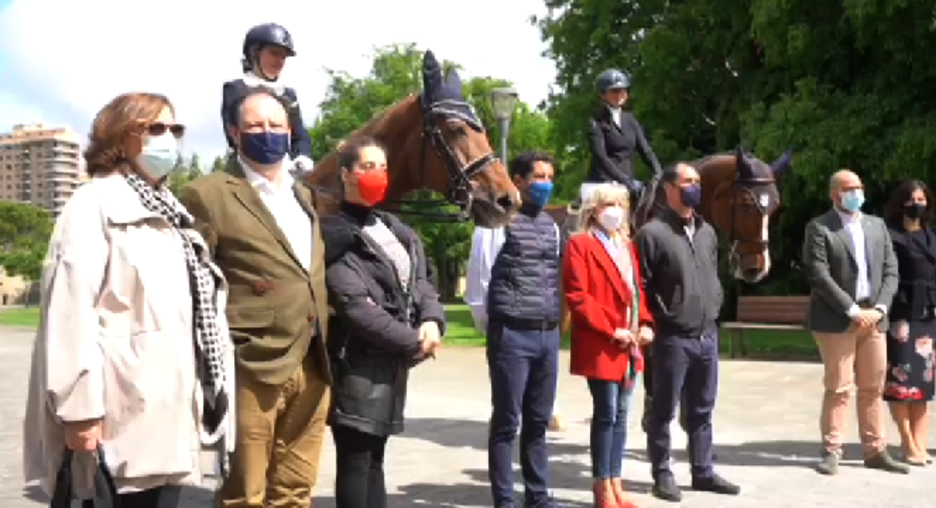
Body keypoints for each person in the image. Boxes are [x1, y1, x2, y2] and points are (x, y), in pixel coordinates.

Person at [22, 92, 235, 508]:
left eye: (175, 129)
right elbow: (70, 314)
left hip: (164, 412)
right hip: (117, 416)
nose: (168, 139)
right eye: (154, 128)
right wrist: (79, 410)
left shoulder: (172, 213)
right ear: (120, 136)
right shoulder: (94, 204)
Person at [180, 88, 332, 507]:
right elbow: (191, 284)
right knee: (244, 495)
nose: (268, 133)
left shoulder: (304, 196)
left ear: (290, 132)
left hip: (312, 362)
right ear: (234, 132)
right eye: (255, 126)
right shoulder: (207, 194)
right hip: (250, 367)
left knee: (296, 491)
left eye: (276, 126)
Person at [321, 136, 445, 508]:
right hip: (357, 365)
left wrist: (432, 320)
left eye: (383, 167)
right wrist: (413, 341)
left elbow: (422, 281)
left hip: (390, 365)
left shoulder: (394, 228)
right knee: (357, 460)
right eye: (367, 166)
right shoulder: (335, 235)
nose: (378, 174)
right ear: (345, 174)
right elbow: (356, 307)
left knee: (376, 460)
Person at [636, 163, 739, 502]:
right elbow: (642, 287)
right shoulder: (651, 234)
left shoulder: (707, 231)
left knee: (702, 409)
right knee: (663, 410)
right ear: (668, 189)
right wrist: (654, 322)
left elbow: (712, 274)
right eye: (687, 182)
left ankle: (702, 471)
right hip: (672, 338)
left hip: (706, 335)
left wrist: (716, 303)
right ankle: (662, 474)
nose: (695, 187)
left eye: (697, 181)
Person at [465, 150, 561, 508]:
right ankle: (504, 499)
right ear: (517, 181)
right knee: (507, 421)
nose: (546, 184)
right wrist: (497, 330)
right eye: (538, 176)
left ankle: (537, 496)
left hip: (547, 334)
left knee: (538, 421)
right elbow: (479, 285)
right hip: (512, 334)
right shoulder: (495, 224)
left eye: (550, 176)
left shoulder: (551, 226)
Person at [802, 169, 909, 476]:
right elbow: (819, 275)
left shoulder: (877, 226)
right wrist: (851, 309)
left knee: (872, 387)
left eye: (859, 187)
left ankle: (875, 451)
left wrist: (881, 308)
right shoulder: (820, 228)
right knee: (838, 387)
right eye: (849, 188)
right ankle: (831, 451)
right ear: (835, 194)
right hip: (838, 319)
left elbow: (891, 270)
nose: (856, 193)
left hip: (874, 318)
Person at [563, 182, 653, 508]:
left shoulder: (627, 245)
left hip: (630, 344)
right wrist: (611, 329)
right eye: (607, 204)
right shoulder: (581, 245)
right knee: (606, 413)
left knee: (623, 414)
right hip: (602, 343)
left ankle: (616, 480)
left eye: (620, 204)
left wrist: (645, 323)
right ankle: (601, 485)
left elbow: (636, 290)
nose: (615, 210)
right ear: (593, 210)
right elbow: (577, 295)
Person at [882, 180, 936, 466]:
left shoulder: (931, 235)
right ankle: (907, 441)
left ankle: (920, 443)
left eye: (922, 198)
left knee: (923, 384)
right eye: (912, 198)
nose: (918, 203)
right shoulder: (891, 236)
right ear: (901, 202)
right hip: (901, 316)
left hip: (928, 315)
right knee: (902, 384)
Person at [221, 22, 314, 172]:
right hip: (246, 167)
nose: (279, 61)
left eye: (283, 57)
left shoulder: (288, 94)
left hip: (285, 167)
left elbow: (299, 133)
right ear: (254, 52)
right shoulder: (236, 89)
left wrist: (303, 156)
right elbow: (232, 135)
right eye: (274, 53)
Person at [586, 68, 662, 199]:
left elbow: (646, 150)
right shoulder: (595, 122)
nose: (620, 94)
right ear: (603, 94)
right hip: (603, 183)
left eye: (623, 90)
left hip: (629, 182)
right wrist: (625, 181)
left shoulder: (630, 120)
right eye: (614, 91)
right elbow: (601, 158)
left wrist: (659, 172)